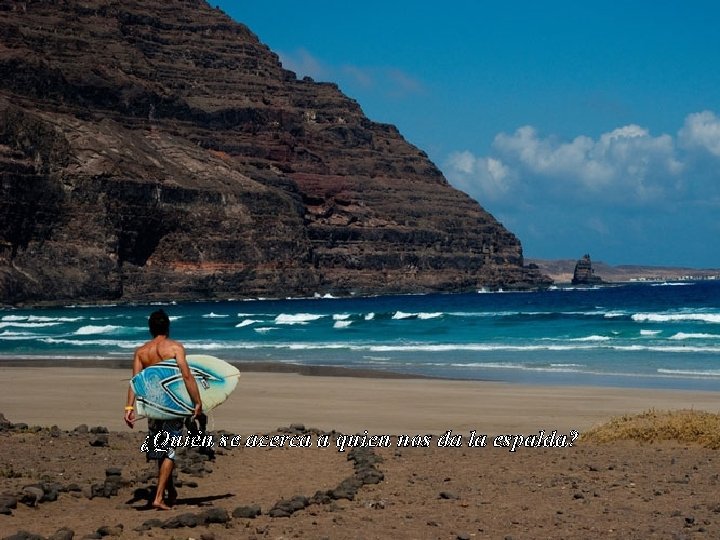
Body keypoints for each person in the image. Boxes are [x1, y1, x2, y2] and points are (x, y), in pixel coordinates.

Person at [124, 309, 203, 510]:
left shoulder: (141, 352)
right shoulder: (175, 348)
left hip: (152, 405)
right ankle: (158, 497)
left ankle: (170, 490)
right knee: (168, 450)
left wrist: (128, 407)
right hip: (172, 405)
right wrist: (197, 402)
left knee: (161, 448)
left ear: (150, 328)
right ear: (167, 326)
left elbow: (135, 382)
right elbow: (186, 376)